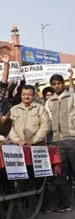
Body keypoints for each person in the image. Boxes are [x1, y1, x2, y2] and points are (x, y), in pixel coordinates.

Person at [43, 70, 74, 213]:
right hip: (57, 142)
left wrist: (71, 78)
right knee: (62, 175)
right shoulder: (49, 102)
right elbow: (47, 121)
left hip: (72, 139)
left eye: (59, 83)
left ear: (63, 84)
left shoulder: (72, 97)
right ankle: (65, 203)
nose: (57, 86)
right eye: (54, 84)